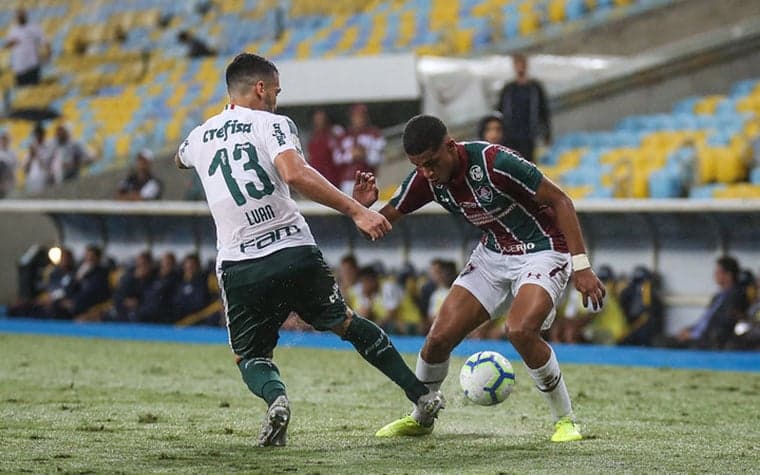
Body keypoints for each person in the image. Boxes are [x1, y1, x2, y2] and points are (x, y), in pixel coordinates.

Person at [174, 53, 443, 447]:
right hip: (293, 250)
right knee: (347, 324)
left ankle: (277, 400)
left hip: (239, 263)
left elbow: (180, 159)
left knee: (250, 356)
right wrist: (356, 210)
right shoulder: (274, 124)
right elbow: (295, 173)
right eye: (276, 91)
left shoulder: (199, 136)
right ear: (261, 88)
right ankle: (422, 395)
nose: (277, 100)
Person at [353, 114, 605, 442]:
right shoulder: (426, 179)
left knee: (519, 330)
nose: (427, 173)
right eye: (418, 166)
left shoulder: (495, 163)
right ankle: (421, 417)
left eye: (431, 163)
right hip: (493, 255)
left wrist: (582, 265)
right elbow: (379, 223)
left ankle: (565, 421)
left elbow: (561, 200)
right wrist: (360, 210)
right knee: (437, 339)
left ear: (450, 147)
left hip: (543, 248)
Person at [674, 256, 745, 349]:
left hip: (708, 340)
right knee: (663, 340)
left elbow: (722, 324)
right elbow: (705, 320)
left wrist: (693, 335)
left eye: (718, 272)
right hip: (699, 335)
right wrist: (689, 330)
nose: (714, 275)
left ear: (728, 275)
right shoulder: (717, 297)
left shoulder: (735, 297)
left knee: (664, 343)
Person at [495, 54, 551, 163]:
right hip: (510, 135)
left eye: (522, 64)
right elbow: (500, 110)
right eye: (517, 64)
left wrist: (546, 133)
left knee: (528, 164)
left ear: (526, 65)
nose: (520, 67)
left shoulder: (535, 87)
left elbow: (543, 111)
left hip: (528, 134)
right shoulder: (508, 89)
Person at [335, 104, 386, 194]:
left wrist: (365, 155)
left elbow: (380, 157)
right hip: (349, 180)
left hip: (369, 178)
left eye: (361, 116)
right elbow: (337, 158)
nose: (358, 119)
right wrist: (351, 155)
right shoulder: (344, 135)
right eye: (356, 116)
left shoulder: (374, 133)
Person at [3, 8, 48, 87]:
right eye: (18, 16)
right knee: (22, 89)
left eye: (21, 15)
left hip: (32, 64)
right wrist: (11, 43)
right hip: (19, 67)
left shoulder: (34, 27)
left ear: (25, 16)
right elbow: (6, 45)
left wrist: (47, 54)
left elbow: (44, 41)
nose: (19, 17)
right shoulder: (13, 30)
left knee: (34, 88)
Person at [306, 109, 343, 187]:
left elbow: (339, 156)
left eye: (321, 118)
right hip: (316, 176)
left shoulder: (333, 134)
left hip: (332, 177)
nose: (319, 121)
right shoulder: (312, 137)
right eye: (317, 119)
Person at [23, 122, 53, 194]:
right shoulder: (31, 149)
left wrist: (37, 155)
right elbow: (25, 170)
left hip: (44, 182)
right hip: (31, 181)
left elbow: (46, 167)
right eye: (36, 134)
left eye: (39, 134)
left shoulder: (49, 147)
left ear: (43, 134)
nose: (37, 136)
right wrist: (31, 156)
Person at [0, 130, 17, 198]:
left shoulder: (13, 153)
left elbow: (14, 168)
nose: (4, 141)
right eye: (3, 139)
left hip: (8, 182)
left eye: (6, 139)